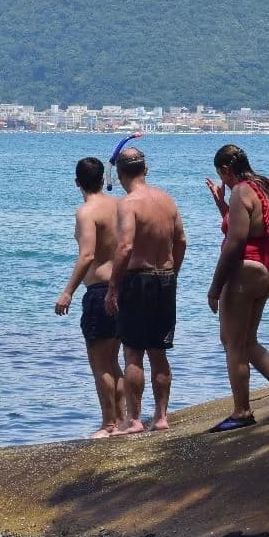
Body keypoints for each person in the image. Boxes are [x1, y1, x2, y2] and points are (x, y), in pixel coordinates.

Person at [205, 144, 269, 432]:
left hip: (246, 270)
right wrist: (222, 205)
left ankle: (242, 411)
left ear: (226, 170)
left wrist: (214, 288)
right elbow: (260, 226)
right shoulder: (267, 185)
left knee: (232, 344)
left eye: (221, 175)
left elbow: (235, 243)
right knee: (247, 341)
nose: (223, 181)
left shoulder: (240, 191)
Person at [105, 147, 186, 433]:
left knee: (133, 353)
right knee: (159, 352)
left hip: (137, 280)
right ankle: (161, 417)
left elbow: (126, 246)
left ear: (119, 173)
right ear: (146, 170)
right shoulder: (167, 200)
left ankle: (135, 419)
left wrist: (113, 287)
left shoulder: (128, 204)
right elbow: (181, 240)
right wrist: (172, 272)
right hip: (165, 278)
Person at [55, 156, 127, 438]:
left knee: (100, 363)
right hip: (122, 287)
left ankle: (108, 423)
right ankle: (123, 419)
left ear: (77, 183)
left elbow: (87, 255)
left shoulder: (87, 212)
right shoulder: (119, 205)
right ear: (103, 180)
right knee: (114, 360)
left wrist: (67, 292)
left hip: (99, 291)